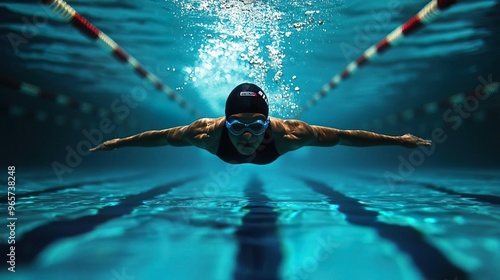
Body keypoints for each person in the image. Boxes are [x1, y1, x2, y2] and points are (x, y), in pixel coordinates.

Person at [90, 83, 431, 164]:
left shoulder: (293, 134)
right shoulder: (204, 133)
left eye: (257, 125)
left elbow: (343, 137)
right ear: (225, 123)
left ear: (269, 124)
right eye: (238, 126)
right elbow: (161, 137)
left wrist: (398, 140)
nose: (249, 135)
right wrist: (117, 143)